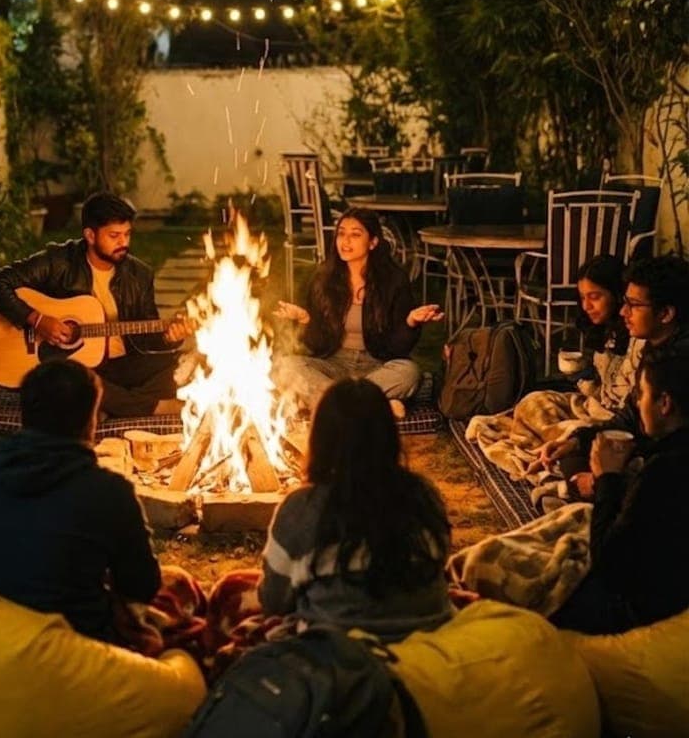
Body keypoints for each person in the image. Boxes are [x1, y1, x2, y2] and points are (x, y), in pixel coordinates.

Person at [0, 359, 160, 641]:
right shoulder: (109, 492)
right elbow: (142, 586)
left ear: (24, 415)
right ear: (91, 420)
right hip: (70, 654)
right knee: (180, 664)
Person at [259, 377, 453, 641]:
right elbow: (439, 564)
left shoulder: (301, 508)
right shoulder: (424, 494)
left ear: (320, 439)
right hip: (428, 648)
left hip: (338, 659)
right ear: (388, 435)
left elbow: (273, 600)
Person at [0, 192, 188, 420]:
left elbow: (147, 335)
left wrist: (170, 337)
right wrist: (37, 320)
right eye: (114, 236)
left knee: (189, 363)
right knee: (71, 379)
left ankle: (104, 403)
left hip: (122, 365)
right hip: (72, 366)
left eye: (127, 234)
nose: (124, 243)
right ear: (90, 235)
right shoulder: (59, 262)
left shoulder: (140, 274)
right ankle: (149, 406)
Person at [550, 347, 689, 634]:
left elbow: (609, 567)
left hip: (651, 615)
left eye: (642, 395)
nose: (638, 403)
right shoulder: (666, 454)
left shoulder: (664, 471)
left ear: (664, 403)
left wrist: (607, 479)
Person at [467, 255, 631, 496]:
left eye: (595, 296)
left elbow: (627, 403)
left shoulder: (637, 335)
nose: (586, 306)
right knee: (533, 401)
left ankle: (555, 454)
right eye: (583, 297)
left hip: (612, 418)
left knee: (574, 436)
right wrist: (583, 378)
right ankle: (555, 447)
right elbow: (601, 386)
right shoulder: (604, 331)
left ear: (617, 295)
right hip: (592, 404)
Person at [537, 254, 689, 494]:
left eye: (634, 305)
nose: (623, 312)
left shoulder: (677, 364)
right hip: (651, 455)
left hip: (670, 472)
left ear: (666, 314)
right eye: (624, 302)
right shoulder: (654, 345)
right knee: (572, 457)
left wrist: (604, 480)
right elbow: (630, 415)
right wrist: (578, 441)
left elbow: (671, 453)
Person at [273, 207, 443, 417]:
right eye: (341, 233)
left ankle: (331, 402)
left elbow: (396, 349)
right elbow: (318, 346)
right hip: (333, 364)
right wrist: (305, 319)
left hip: (376, 366)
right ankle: (374, 404)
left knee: (409, 372)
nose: (345, 241)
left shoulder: (393, 280)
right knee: (285, 366)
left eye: (355, 235)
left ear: (373, 242)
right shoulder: (324, 279)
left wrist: (410, 322)